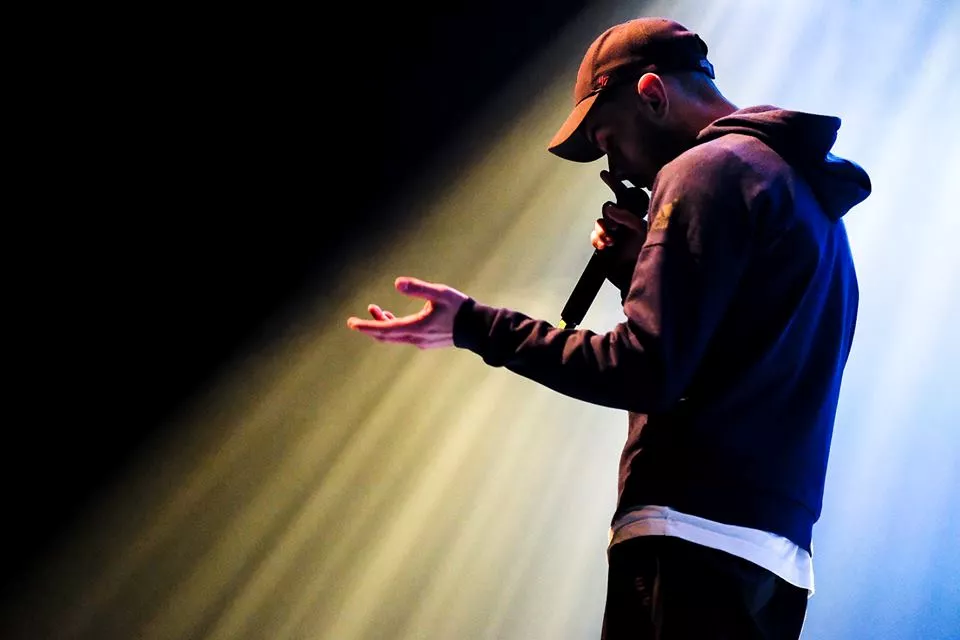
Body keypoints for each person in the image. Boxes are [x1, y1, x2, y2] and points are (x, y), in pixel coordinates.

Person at [346, 16, 871, 639]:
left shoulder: (702, 171)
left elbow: (643, 368)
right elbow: (722, 357)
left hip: (687, 538)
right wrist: (638, 271)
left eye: (607, 138)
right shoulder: (809, 200)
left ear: (652, 94)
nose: (613, 164)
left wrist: (475, 324)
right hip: (773, 559)